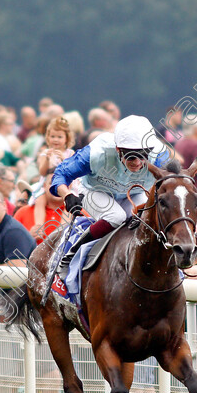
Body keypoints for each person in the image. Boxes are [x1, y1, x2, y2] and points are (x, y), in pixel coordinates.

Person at [50, 115, 168, 277]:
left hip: (134, 192)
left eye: (143, 155)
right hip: (94, 191)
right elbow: (61, 174)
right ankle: (69, 256)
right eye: (131, 156)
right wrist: (68, 194)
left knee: (147, 220)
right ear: (118, 150)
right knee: (116, 216)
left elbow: (173, 186)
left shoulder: (159, 155)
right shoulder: (98, 152)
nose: (138, 162)